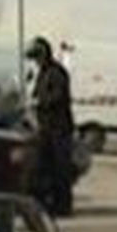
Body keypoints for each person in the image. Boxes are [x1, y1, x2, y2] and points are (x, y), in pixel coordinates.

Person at [25, 37, 75, 217]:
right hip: (44, 127)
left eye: (37, 57)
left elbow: (59, 95)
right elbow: (34, 92)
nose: (36, 62)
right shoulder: (41, 73)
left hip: (59, 128)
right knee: (42, 165)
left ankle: (63, 206)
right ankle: (44, 201)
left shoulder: (57, 73)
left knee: (60, 167)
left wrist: (40, 102)